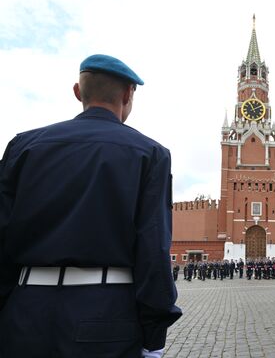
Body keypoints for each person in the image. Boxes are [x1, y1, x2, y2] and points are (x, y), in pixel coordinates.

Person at [0, 54, 182, 358]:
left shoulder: (23, 147)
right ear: (127, 95)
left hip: (24, 314)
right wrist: (153, 335)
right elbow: (153, 249)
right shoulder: (150, 154)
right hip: (105, 318)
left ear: (77, 92)